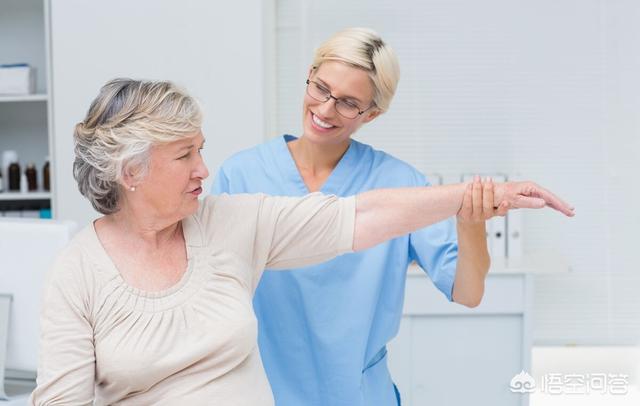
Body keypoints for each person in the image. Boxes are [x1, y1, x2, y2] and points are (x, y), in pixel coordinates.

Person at [30, 78, 572, 406]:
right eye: (184, 155)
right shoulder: (78, 273)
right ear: (131, 171)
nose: (203, 169)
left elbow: (363, 214)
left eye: (201, 149)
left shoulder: (230, 223)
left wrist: (480, 195)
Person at [212, 27, 573, 406]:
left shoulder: (400, 183)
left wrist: (470, 221)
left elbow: (468, 292)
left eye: (348, 103)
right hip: (266, 394)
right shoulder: (241, 175)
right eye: (320, 88)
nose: (325, 109)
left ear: (372, 113)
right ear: (310, 74)